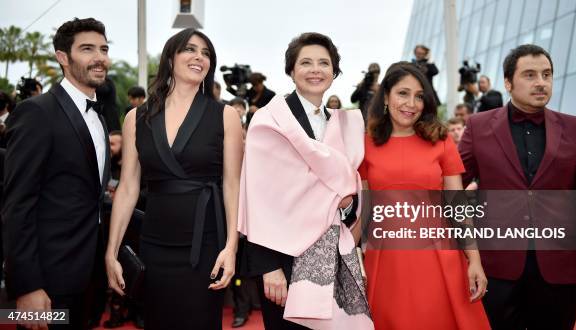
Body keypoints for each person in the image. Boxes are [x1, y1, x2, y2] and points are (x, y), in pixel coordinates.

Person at [459, 44, 576, 330]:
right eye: (529, 74)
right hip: (497, 266)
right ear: (507, 82)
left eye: (547, 74)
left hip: (558, 265)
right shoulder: (478, 127)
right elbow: (452, 184)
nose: (541, 82)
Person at [105, 28, 243, 330]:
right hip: (155, 244)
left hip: (207, 243)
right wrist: (111, 251)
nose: (199, 57)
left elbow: (233, 186)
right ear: (171, 58)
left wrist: (230, 247)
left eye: (206, 53)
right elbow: (128, 187)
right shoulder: (136, 118)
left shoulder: (225, 115)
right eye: (190, 50)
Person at [238, 32, 372, 329]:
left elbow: (350, 192)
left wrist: (349, 206)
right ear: (291, 70)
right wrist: (268, 266)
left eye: (324, 63)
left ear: (334, 72)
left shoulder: (345, 124)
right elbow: (257, 197)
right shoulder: (269, 120)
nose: (316, 70)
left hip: (333, 252)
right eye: (306, 62)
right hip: (283, 258)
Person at [358, 61, 490, 329]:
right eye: (403, 93)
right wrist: (345, 255)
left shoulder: (441, 140)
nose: (412, 103)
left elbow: (457, 205)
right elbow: (364, 210)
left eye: (419, 96)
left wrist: (474, 259)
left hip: (439, 254)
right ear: (386, 96)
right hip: (386, 260)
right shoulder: (364, 145)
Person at [2, 17, 111, 330]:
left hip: (88, 278)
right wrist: (27, 286)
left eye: (103, 49)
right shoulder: (37, 112)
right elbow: (17, 205)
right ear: (63, 57)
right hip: (47, 283)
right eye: (87, 49)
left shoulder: (99, 119)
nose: (99, 57)